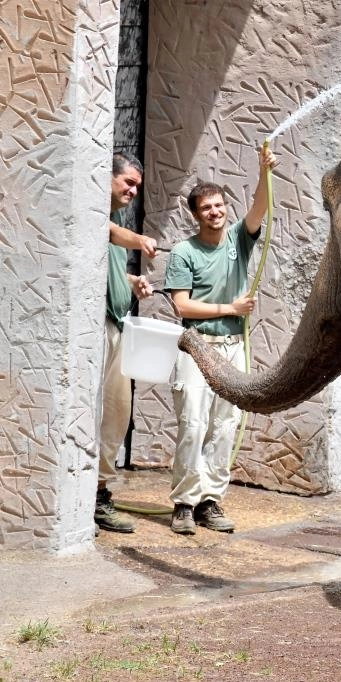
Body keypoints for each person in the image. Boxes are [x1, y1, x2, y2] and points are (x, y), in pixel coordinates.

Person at [163, 145, 278, 535]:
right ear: (195, 215)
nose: (215, 212)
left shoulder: (237, 240)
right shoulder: (183, 252)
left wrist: (264, 172)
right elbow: (183, 305)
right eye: (207, 208)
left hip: (234, 347)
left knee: (225, 425)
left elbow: (260, 209)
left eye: (219, 206)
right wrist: (230, 308)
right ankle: (183, 502)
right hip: (197, 346)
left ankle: (210, 502)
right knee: (193, 424)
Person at [96, 151, 157, 533]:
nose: (133, 190)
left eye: (137, 185)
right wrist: (139, 239)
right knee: (96, 411)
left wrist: (133, 282)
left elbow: (112, 261)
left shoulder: (118, 218)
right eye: (128, 182)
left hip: (118, 324)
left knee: (118, 411)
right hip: (96, 327)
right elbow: (104, 231)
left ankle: (100, 491)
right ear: (110, 178)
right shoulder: (102, 215)